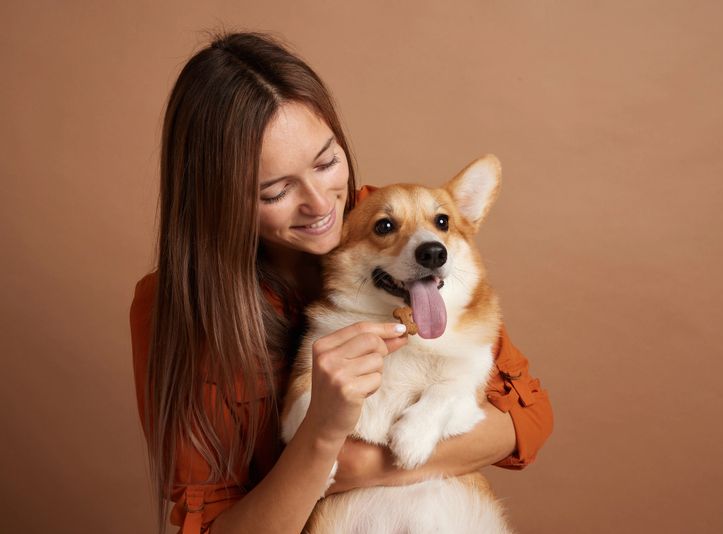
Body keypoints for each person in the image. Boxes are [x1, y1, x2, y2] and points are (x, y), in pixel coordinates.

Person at [129, 31, 554, 534]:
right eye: (276, 190)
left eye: (327, 162)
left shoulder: (390, 224)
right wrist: (321, 436)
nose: (320, 204)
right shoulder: (178, 307)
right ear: (217, 199)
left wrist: (359, 468)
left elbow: (523, 421)